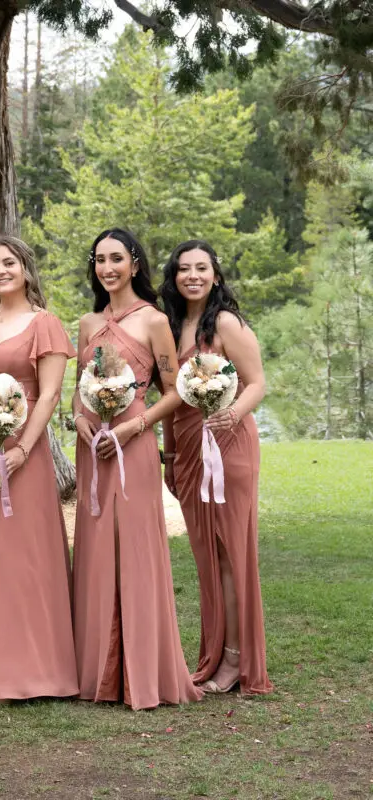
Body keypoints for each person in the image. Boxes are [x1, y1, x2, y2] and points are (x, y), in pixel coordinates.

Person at [70, 228, 202, 710]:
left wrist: (134, 427)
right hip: (93, 449)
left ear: (135, 264)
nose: (108, 268)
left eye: (117, 259)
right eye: (100, 259)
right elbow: (77, 389)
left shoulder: (153, 322)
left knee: (137, 552)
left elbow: (175, 392)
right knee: (96, 551)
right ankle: (98, 674)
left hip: (135, 445)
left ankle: (142, 673)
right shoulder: (86, 323)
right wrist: (80, 418)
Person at [0, 235, 78, 703]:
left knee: (26, 558)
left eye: (9, 263)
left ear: (26, 269)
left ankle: (38, 673)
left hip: (22, 450)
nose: (0, 271)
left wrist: (24, 448)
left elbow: (47, 395)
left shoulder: (44, 324)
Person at [159, 240, 273, 696]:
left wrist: (234, 413)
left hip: (228, 445)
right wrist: (170, 454)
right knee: (206, 558)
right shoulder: (172, 326)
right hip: (189, 450)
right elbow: (171, 400)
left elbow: (258, 382)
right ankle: (212, 654)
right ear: (174, 277)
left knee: (230, 555)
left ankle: (236, 660)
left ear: (215, 275)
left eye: (201, 268)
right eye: (184, 268)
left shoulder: (226, 322)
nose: (193, 276)